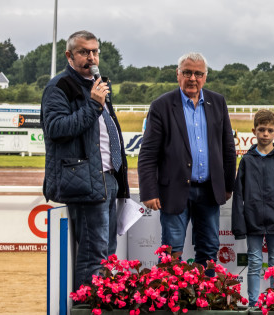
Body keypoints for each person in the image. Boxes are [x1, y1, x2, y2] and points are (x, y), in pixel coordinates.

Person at [41, 30, 129, 289]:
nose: (91, 57)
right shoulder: (59, 87)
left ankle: (102, 313)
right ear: (69, 55)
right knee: (94, 257)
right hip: (85, 182)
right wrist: (92, 105)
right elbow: (55, 129)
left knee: (108, 254)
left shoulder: (97, 85)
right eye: (84, 52)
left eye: (94, 51)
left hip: (107, 178)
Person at [138, 52, 236, 268]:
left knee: (209, 249)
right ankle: (171, 300)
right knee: (172, 251)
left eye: (198, 74)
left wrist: (228, 185)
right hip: (173, 190)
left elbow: (228, 147)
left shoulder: (218, 102)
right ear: (178, 74)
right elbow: (148, 153)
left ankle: (205, 299)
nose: (193, 78)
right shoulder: (161, 105)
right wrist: (149, 191)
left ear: (205, 76)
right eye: (188, 72)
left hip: (209, 190)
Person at [231, 109, 274, 305]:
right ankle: (253, 303)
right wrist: (240, 225)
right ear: (254, 131)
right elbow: (239, 195)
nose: (265, 134)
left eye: (269, 130)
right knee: (254, 262)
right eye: (261, 130)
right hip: (253, 222)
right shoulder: (247, 161)